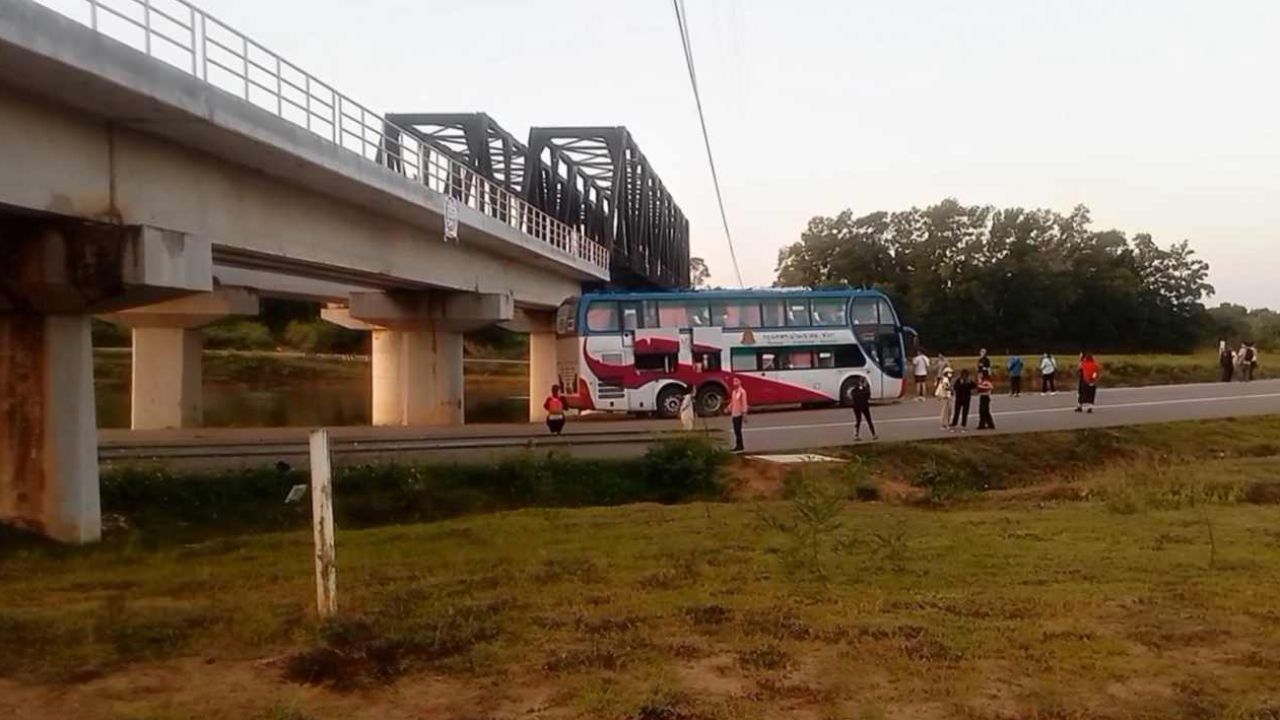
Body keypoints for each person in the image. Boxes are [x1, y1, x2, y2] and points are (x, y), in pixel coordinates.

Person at [850, 375, 877, 441]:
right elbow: (868, 397)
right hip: (865, 406)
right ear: (864, 382)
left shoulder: (854, 390)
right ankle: (873, 435)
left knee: (858, 421)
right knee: (869, 420)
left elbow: (853, 397)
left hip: (856, 407)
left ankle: (856, 435)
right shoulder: (866, 390)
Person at [729, 377, 748, 452]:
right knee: (736, 430)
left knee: (738, 430)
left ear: (740, 382)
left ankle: (740, 446)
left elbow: (744, 403)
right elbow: (732, 402)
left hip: (739, 414)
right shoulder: (734, 392)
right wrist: (729, 407)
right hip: (734, 413)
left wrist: (744, 414)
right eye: (734, 381)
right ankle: (738, 445)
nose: (735, 383)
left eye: (736, 381)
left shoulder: (742, 392)